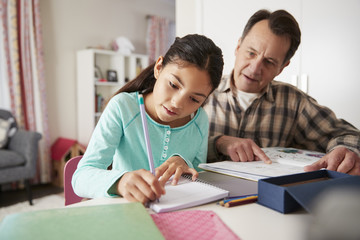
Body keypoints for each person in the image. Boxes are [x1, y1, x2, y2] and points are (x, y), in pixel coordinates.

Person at [204, 9, 360, 175]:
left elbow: (349, 134)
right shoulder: (202, 91)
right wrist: (218, 143)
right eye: (251, 53)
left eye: (269, 61)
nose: (255, 68)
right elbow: (173, 141)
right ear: (238, 46)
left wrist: (345, 149)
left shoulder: (294, 102)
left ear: (282, 67)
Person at [72, 34, 224, 204]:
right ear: (159, 67)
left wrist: (184, 164)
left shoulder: (200, 120)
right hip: (126, 213)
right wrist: (120, 182)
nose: (176, 103)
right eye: (173, 85)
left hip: (176, 214)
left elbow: (198, 174)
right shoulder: (123, 107)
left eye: (194, 99)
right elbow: (81, 177)